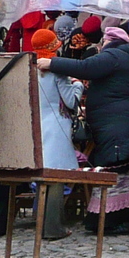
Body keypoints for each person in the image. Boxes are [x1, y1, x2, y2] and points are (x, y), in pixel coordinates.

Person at [43, 26, 129, 235]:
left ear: (109, 41)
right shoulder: (126, 58)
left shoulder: (114, 55)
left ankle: (117, 221)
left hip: (117, 126)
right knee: (126, 171)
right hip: (122, 123)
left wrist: (52, 63)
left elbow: (85, 67)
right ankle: (121, 220)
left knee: (116, 170)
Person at [28, 29, 81, 239]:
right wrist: (77, 86)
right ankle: (53, 227)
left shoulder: (30, 69)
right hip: (57, 124)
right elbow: (70, 101)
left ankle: (39, 223)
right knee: (57, 177)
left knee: (42, 177)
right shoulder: (57, 70)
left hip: (37, 124)